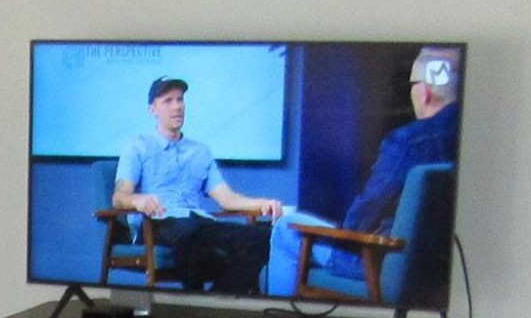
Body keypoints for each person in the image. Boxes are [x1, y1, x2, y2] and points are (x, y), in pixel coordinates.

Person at [267, 47, 463, 299]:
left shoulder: (406, 141)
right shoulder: (467, 136)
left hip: (379, 261)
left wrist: (342, 234)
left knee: (285, 228)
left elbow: (370, 207)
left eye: (411, 83)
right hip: (435, 269)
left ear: (425, 91)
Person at [111, 77, 277, 294]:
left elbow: (227, 199)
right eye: (167, 101)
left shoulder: (200, 151)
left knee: (264, 236)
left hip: (198, 224)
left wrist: (262, 203)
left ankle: (213, 300)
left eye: (180, 100)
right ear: (152, 109)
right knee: (190, 232)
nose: (177, 106)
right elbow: (119, 197)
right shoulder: (138, 146)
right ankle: (199, 298)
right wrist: (139, 200)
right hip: (157, 223)